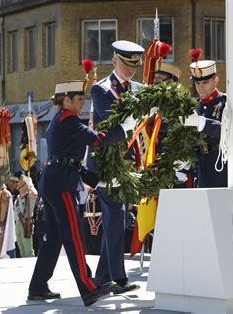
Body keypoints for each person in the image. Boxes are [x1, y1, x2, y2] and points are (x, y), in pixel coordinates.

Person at [28, 77, 132, 306]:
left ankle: (37, 286)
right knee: (73, 237)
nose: (83, 102)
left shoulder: (60, 119)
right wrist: (123, 130)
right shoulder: (69, 120)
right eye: (79, 98)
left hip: (56, 180)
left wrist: (95, 181)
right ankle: (88, 287)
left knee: (54, 238)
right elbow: (97, 140)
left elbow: (70, 159)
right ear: (66, 100)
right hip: (62, 185)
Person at [86, 40, 143, 295]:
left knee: (116, 221)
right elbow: (108, 126)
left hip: (125, 164)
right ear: (114, 61)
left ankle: (101, 278)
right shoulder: (102, 89)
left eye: (134, 65)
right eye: (126, 63)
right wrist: (135, 120)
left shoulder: (138, 89)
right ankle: (119, 279)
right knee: (116, 220)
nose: (131, 69)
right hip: (106, 164)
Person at [180, 55, 233, 186]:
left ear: (216, 80)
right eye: (197, 83)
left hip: (227, 169)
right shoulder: (195, 107)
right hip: (203, 170)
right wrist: (184, 164)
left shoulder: (229, 103)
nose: (200, 87)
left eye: (205, 82)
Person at [14, 174, 37, 257]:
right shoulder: (18, 197)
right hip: (17, 224)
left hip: (26, 223)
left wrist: (30, 185)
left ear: (25, 185)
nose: (18, 184)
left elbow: (35, 194)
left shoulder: (29, 196)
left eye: (21, 183)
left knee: (28, 251)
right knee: (21, 250)